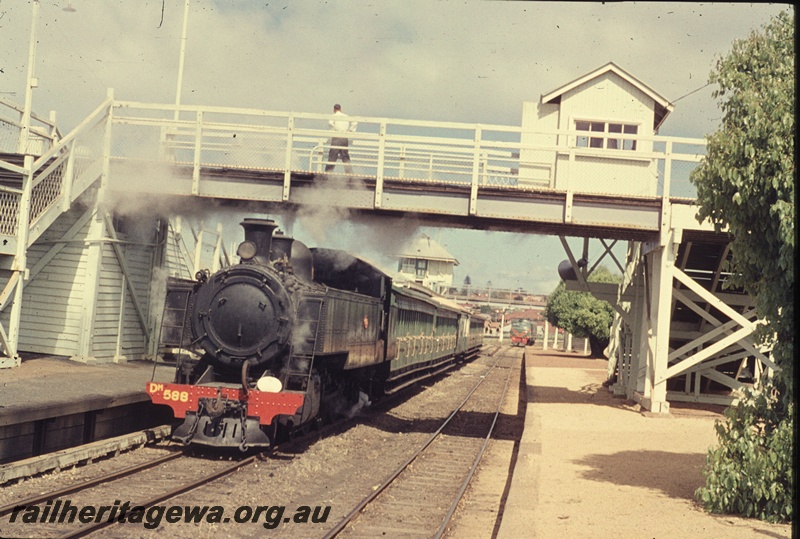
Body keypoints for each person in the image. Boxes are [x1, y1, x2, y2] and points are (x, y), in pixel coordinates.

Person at [325, 104, 357, 174]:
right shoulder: (346, 116)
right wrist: (350, 130)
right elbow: (355, 122)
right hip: (344, 137)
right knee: (345, 156)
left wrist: (335, 130)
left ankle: (328, 173)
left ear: (334, 109)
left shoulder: (333, 116)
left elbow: (330, 123)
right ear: (340, 109)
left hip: (336, 137)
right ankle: (349, 173)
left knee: (332, 156)